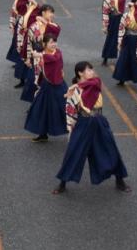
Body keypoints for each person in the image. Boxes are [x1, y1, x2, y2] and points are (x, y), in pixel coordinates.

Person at [54, 62, 130, 194]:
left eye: (91, 69)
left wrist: (77, 85)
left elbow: (94, 82)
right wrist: (71, 129)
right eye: (88, 70)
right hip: (83, 123)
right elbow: (70, 112)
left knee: (111, 150)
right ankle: (62, 183)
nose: (92, 72)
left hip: (99, 122)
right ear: (80, 73)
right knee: (73, 153)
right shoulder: (74, 92)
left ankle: (120, 180)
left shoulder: (95, 83)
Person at [25, 30, 68, 141]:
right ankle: (42, 134)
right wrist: (33, 57)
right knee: (40, 109)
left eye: (55, 42)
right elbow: (38, 68)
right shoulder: (43, 54)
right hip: (46, 86)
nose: (54, 44)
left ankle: (74, 130)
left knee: (64, 110)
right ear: (45, 44)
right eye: (51, 42)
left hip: (58, 86)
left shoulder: (57, 53)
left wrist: (39, 55)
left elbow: (53, 59)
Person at [21, 4, 59, 102]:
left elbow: (57, 31)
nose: (52, 15)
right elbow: (29, 43)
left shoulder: (52, 26)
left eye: (52, 12)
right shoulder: (34, 27)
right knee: (34, 82)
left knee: (48, 82)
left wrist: (46, 23)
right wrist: (28, 58)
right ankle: (34, 104)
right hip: (36, 58)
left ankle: (43, 104)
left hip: (49, 58)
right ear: (43, 13)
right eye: (50, 12)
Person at [112, 0, 137, 86]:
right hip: (128, 39)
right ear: (133, 3)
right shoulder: (126, 15)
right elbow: (121, 28)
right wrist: (119, 41)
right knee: (124, 58)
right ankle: (122, 78)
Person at [100, 0, 127, 65]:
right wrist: (105, 26)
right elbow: (105, 13)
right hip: (113, 20)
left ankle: (123, 59)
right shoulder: (107, 0)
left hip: (122, 19)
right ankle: (105, 58)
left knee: (124, 38)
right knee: (111, 39)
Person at [7, 0, 34, 64]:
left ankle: (23, 60)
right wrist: (12, 25)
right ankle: (17, 60)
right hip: (19, 23)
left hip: (27, 22)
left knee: (24, 42)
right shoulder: (17, 0)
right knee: (16, 41)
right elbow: (13, 13)